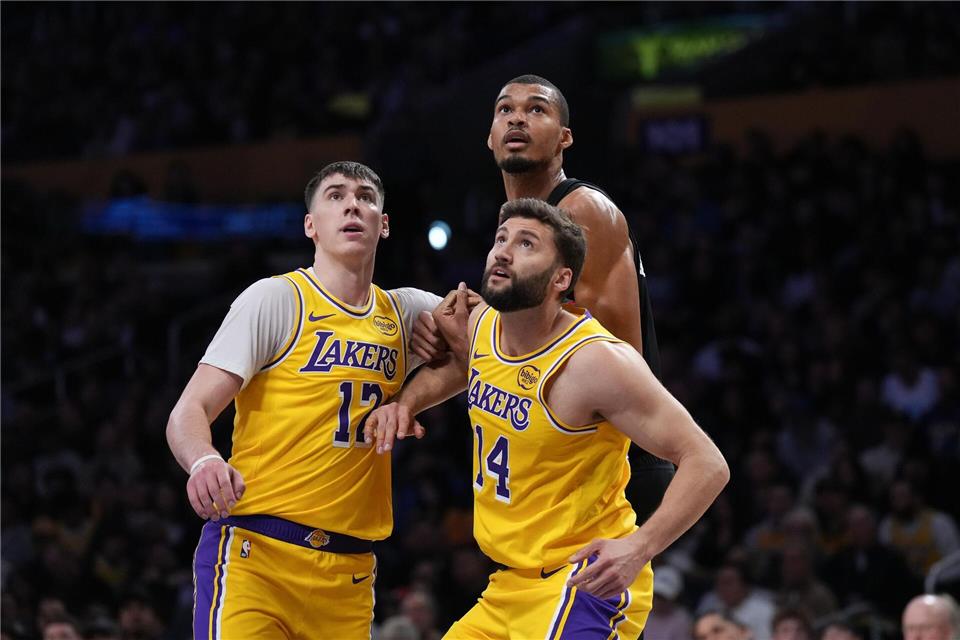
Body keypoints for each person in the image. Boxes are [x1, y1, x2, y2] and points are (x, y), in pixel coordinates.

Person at [368, 199, 728, 638]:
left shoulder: (596, 362)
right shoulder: (482, 325)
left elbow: (707, 462)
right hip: (507, 586)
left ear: (562, 278)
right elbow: (465, 368)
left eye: (525, 244)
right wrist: (406, 403)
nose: (503, 251)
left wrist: (639, 547)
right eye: (500, 239)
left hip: (583, 582)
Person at [166, 161, 441, 638]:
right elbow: (188, 411)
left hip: (348, 572)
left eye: (365, 197)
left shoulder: (410, 311)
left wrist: (411, 399)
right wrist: (204, 461)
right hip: (258, 553)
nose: (352, 204)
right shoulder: (275, 299)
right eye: (335, 196)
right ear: (311, 225)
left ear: (385, 224)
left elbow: (496, 346)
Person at [411, 74, 673, 525]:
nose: (517, 117)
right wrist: (406, 401)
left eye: (537, 109)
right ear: (490, 138)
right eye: (504, 110)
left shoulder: (583, 210)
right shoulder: (516, 227)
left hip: (614, 460)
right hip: (555, 455)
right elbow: (503, 350)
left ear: (565, 138)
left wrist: (475, 330)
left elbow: (609, 353)